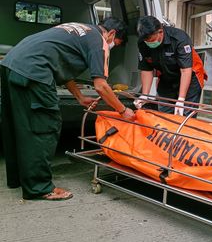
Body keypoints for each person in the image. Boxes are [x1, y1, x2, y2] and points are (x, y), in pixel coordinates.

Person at [1, 17, 135, 201]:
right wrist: (122, 110)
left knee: (17, 124)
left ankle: (16, 179)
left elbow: (62, 68)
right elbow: (101, 86)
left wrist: (79, 97)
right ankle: (39, 188)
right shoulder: (99, 41)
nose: (113, 46)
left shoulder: (78, 29)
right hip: (34, 70)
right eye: (116, 43)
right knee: (44, 127)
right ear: (111, 34)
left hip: (11, 63)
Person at [134, 16, 206, 116]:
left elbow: (185, 70)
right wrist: (144, 95)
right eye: (147, 41)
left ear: (160, 32)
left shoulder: (179, 38)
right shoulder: (143, 43)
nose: (149, 43)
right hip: (166, 76)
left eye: (151, 39)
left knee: (185, 114)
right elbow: (146, 70)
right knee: (164, 113)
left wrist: (181, 100)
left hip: (190, 76)